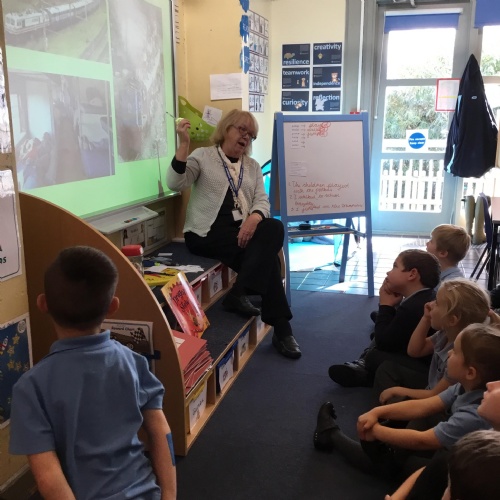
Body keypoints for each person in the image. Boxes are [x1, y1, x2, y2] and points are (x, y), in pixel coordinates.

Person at [9, 247, 176, 500]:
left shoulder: (30, 387)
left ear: (42, 304)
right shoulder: (134, 362)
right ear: (113, 306)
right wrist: (170, 495)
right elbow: (161, 431)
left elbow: (48, 477)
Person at [166, 110, 300, 359]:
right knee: (269, 260)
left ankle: (240, 291)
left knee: (274, 227)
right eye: (242, 130)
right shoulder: (203, 156)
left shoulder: (252, 166)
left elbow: (262, 201)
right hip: (206, 233)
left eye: (251, 135)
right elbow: (175, 183)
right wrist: (184, 144)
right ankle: (282, 329)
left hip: (240, 233)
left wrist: (254, 218)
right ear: (226, 128)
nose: (246, 137)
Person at [313, 323, 500, 482]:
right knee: (420, 419)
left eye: (455, 351)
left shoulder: (474, 414)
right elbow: (425, 405)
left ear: (470, 372)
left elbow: (423, 440)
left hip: (454, 468)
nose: (449, 353)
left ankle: (331, 434)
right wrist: (379, 412)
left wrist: (376, 431)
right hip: (449, 445)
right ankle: (386, 448)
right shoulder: (464, 386)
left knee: (391, 465)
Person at [328, 249, 440, 387]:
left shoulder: (412, 307)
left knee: (374, 355)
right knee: (381, 330)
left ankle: (365, 372)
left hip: (425, 371)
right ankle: (364, 369)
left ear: (412, 274)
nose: (388, 272)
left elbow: (384, 343)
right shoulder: (427, 296)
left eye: (395, 267)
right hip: (421, 357)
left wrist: (385, 306)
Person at [375, 278, 491, 402]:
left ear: (452, 320)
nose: (430, 304)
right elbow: (415, 351)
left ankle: (390, 411)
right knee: (387, 369)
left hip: (438, 402)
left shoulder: (458, 356)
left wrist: (399, 390)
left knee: (392, 389)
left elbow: (435, 396)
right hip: (432, 384)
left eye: (437, 303)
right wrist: (425, 318)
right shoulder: (445, 333)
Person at [385, 380, 500, 500]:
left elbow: (423, 441)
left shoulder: (475, 422)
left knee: (406, 462)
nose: (490, 384)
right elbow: (434, 467)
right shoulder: (486, 439)